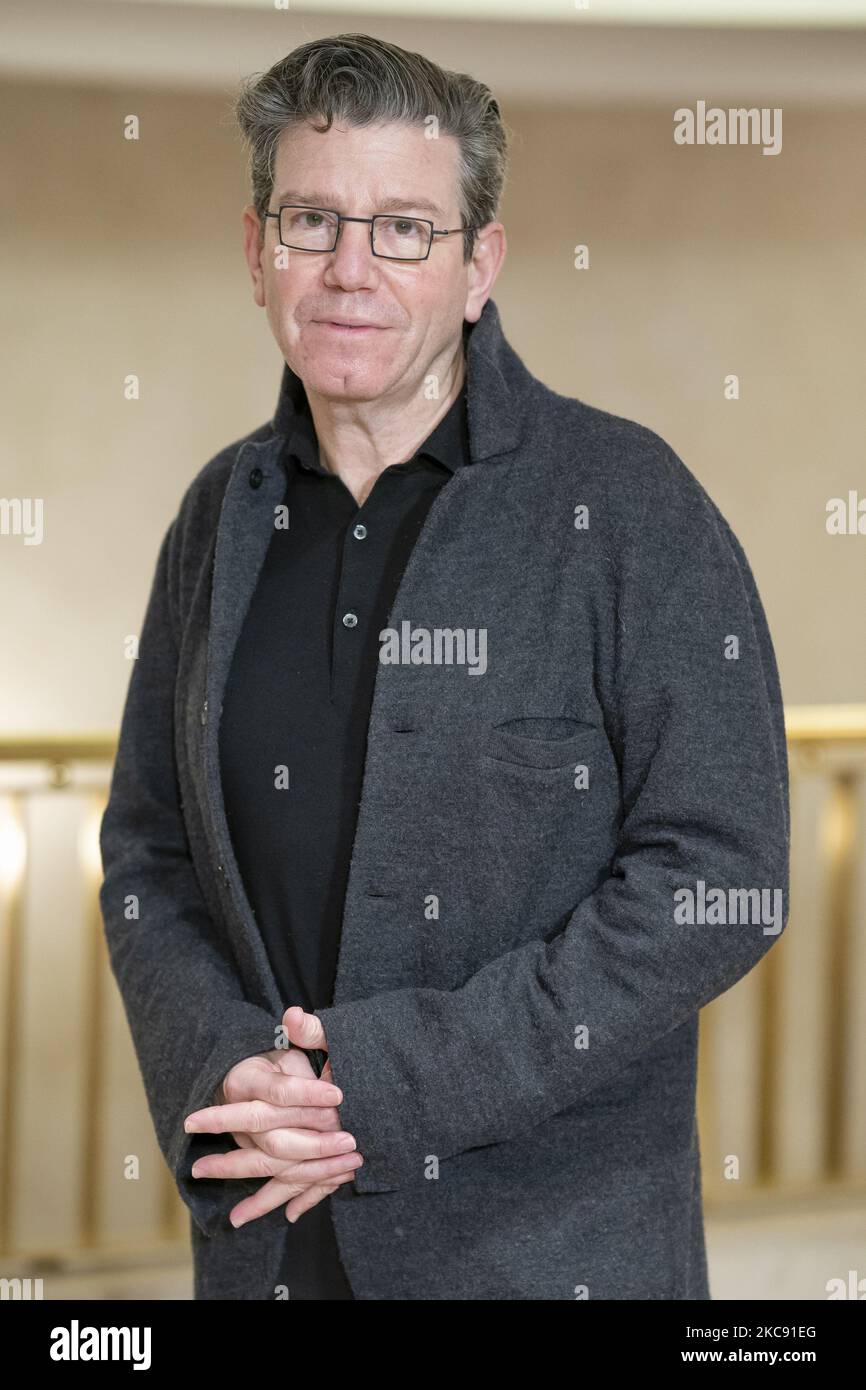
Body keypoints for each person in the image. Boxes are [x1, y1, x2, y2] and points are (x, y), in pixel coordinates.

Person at [99, 32, 790, 1301]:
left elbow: (722, 874)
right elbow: (148, 854)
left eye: (406, 230)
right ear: (257, 253)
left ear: (480, 266)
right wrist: (223, 1071)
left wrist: (387, 1082)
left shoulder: (627, 506)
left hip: (544, 1258)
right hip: (265, 1248)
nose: (350, 270)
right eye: (313, 220)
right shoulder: (218, 517)